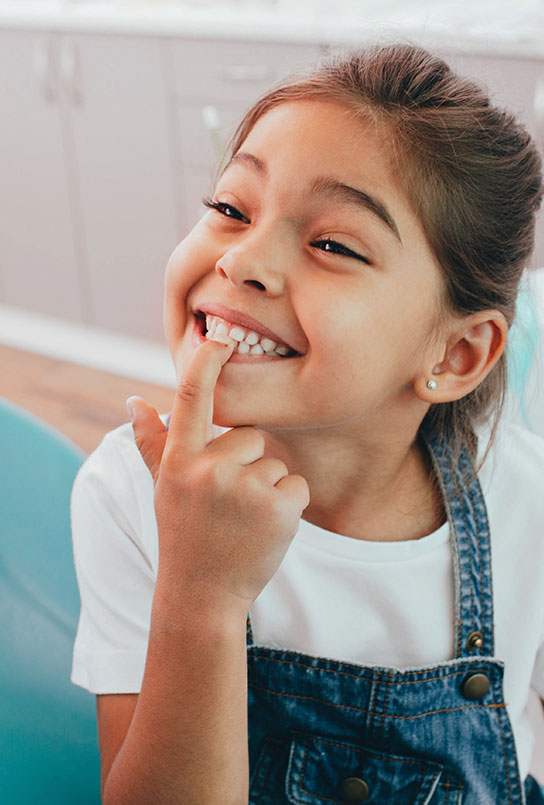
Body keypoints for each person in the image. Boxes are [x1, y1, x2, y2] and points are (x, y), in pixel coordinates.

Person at [70, 43, 544, 803]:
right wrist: (200, 594)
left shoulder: (531, 504)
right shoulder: (130, 489)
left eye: (332, 243)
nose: (243, 260)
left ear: (455, 354)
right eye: (231, 207)